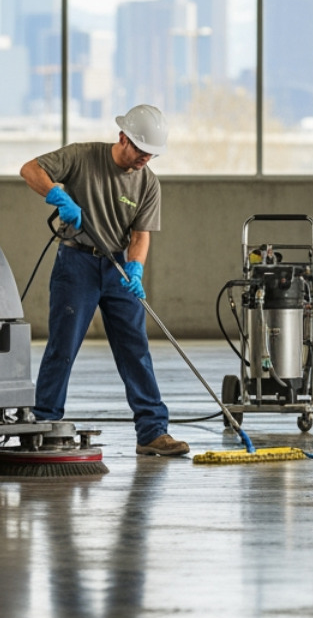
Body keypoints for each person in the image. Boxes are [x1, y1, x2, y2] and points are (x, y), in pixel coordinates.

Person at [19, 104, 188, 457]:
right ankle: (45, 424)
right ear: (122, 137)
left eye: (152, 153)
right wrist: (58, 195)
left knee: (135, 350)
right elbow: (30, 169)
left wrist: (137, 269)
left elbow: (141, 235)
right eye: (140, 150)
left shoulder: (148, 183)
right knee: (62, 347)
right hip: (76, 264)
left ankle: (152, 431)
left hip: (119, 269)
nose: (145, 158)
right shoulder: (83, 156)